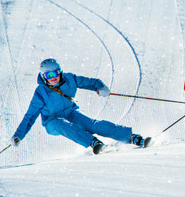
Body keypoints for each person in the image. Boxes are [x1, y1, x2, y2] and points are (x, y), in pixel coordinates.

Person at [10, 58, 149, 154]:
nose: (53, 77)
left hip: (70, 113)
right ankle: (93, 143)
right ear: (43, 76)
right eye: (48, 75)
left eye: (55, 73)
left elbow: (90, 82)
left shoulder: (69, 79)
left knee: (93, 125)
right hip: (51, 121)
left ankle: (132, 137)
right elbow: (30, 117)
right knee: (62, 125)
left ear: (60, 71)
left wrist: (100, 87)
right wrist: (18, 136)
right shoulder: (41, 92)